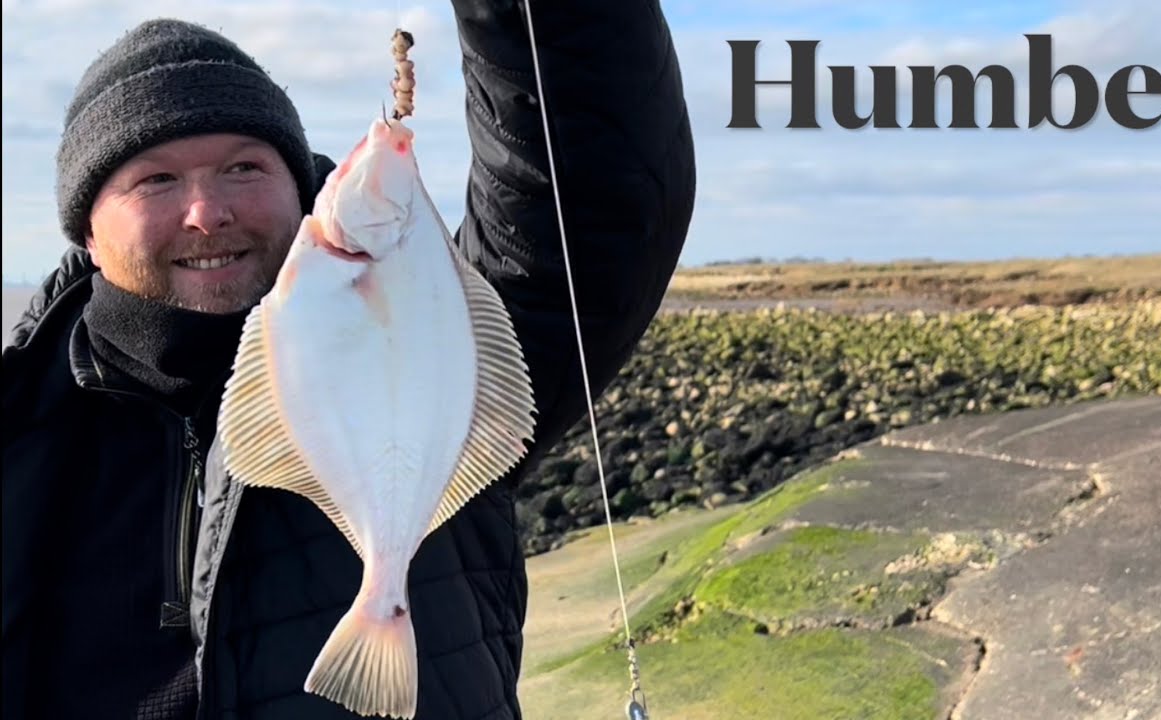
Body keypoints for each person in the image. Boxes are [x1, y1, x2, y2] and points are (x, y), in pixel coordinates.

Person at [2, 1, 695, 717]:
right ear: (88, 230)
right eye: (156, 181)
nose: (207, 212)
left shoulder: (437, 316)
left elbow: (588, 190)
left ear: (302, 189)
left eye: (244, 167)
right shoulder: (20, 424)